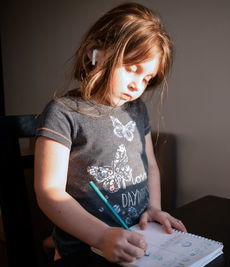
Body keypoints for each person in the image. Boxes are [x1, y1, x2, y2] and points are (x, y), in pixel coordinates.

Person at [34, 2, 186, 264]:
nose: (137, 85)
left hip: (137, 242)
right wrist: (102, 236)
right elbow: (49, 192)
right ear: (97, 53)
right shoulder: (63, 113)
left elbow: (149, 165)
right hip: (84, 250)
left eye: (147, 78)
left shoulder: (137, 111)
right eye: (131, 68)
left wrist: (154, 208)